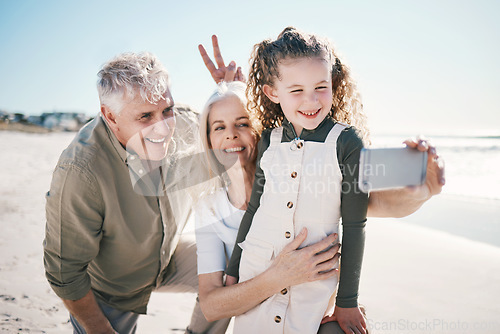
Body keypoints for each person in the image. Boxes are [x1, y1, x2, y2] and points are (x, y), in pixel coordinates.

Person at [194, 29, 445, 334]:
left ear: (333, 83)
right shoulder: (269, 142)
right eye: (296, 90)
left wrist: (347, 301)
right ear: (273, 93)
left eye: (320, 87)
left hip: (313, 282)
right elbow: (255, 209)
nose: (310, 100)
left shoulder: (346, 142)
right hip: (256, 273)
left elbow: (355, 224)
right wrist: (233, 273)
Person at [43, 52, 229, 334]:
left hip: (168, 259)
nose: (164, 127)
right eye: (145, 116)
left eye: (167, 110)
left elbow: (239, 142)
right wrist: (98, 328)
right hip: (110, 287)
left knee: (232, 262)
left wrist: (232, 95)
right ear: (110, 116)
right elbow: (64, 273)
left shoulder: (189, 124)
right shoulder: (80, 171)